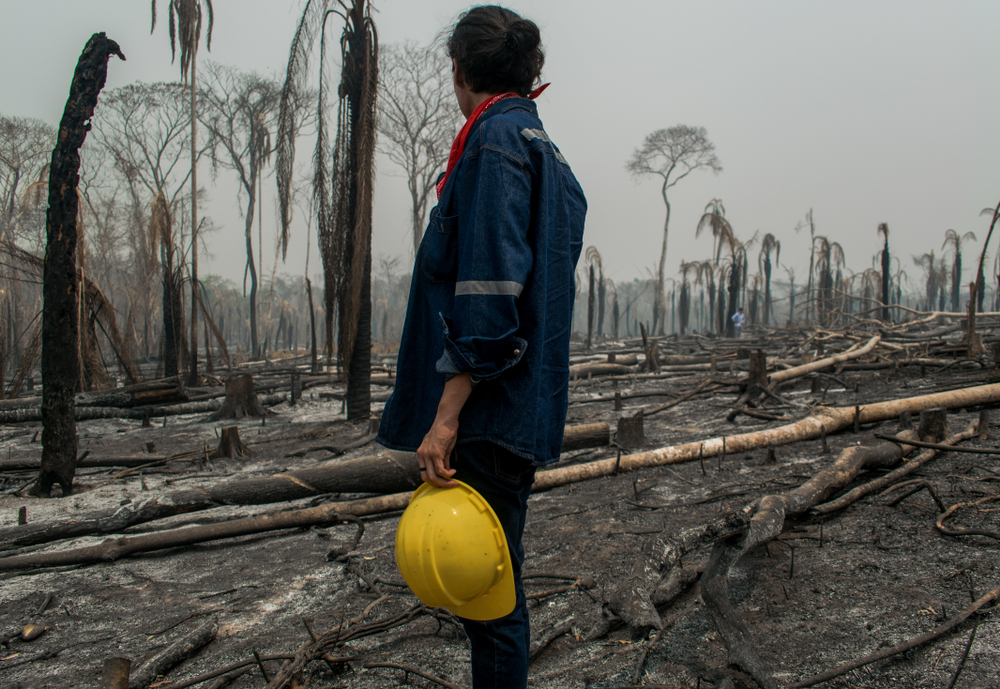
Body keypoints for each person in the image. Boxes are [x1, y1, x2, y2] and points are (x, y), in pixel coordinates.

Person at [377, 6, 587, 688]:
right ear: (531, 74)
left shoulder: (495, 144)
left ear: (460, 71)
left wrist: (444, 419)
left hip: (487, 413)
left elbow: (491, 297)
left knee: (490, 597)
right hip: (518, 408)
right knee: (496, 584)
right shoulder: (541, 148)